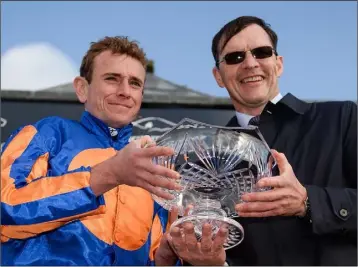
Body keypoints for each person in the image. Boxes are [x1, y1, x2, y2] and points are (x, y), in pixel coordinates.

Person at [1, 36, 228, 266]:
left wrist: (167, 256)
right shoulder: (50, 133)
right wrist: (108, 175)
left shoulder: (154, 166)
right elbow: (5, 207)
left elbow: (155, 258)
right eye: (112, 79)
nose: (125, 91)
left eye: (135, 83)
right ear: (82, 88)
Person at [211, 16, 357, 265]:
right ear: (219, 76)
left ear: (278, 64)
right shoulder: (209, 156)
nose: (250, 63)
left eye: (261, 52)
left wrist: (307, 201)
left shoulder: (341, 118)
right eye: (235, 57)